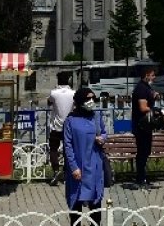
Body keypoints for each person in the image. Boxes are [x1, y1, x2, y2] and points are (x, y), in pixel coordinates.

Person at [64, 88, 105, 226]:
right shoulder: (70, 120)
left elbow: (104, 132)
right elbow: (67, 145)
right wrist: (74, 167)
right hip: (78, 167)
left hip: (94, 165)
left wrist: (102, 138)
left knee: (96, 203)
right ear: (81, 100)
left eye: (93, 98)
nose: (91, 101)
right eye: (88, 99)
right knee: (76, 203)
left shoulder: (96, 116)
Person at [129, 67, 159, 189]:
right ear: (146, 75)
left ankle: (142, 177)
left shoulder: (146, 87)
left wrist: (154, 96)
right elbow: (142, 107)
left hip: (146, 126)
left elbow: (149, 99)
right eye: (152, 75)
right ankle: (140, 179)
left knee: (145, 151)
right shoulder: (141, 88)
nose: (154, 77)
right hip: (141, 125)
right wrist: (156, 111)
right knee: (143, 152)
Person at [47, 72, 75, 186]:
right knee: (68, 150)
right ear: (68, 80)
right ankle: (67, 173)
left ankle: (55, 170)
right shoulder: (73, 93)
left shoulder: (54, 93)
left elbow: (49, 103)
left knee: (53, 149)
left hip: (56, 126)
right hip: (69, 126)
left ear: (58, 81)